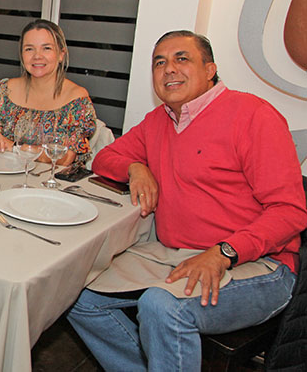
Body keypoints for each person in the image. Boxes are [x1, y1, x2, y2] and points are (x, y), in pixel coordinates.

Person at [66, 30, 306, 371]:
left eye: (182, 58)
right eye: (159, 62)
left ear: (210, 70)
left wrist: (223, 252)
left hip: (256, 264)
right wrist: (135, 167)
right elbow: (105, 158)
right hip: (174, 254)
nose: (169, 69)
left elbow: (290, 212)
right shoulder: (158, 121)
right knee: (73, 294)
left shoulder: (253, 115)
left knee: (162, 307)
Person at [0, 19, 96, 166]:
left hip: (51, 178)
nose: (37, 56)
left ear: (61, 54)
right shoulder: (6, 90)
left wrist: (14, 147)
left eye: (46, 48)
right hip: (7, 173)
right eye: (29, 49)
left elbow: (66, 158)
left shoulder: (76, 99)